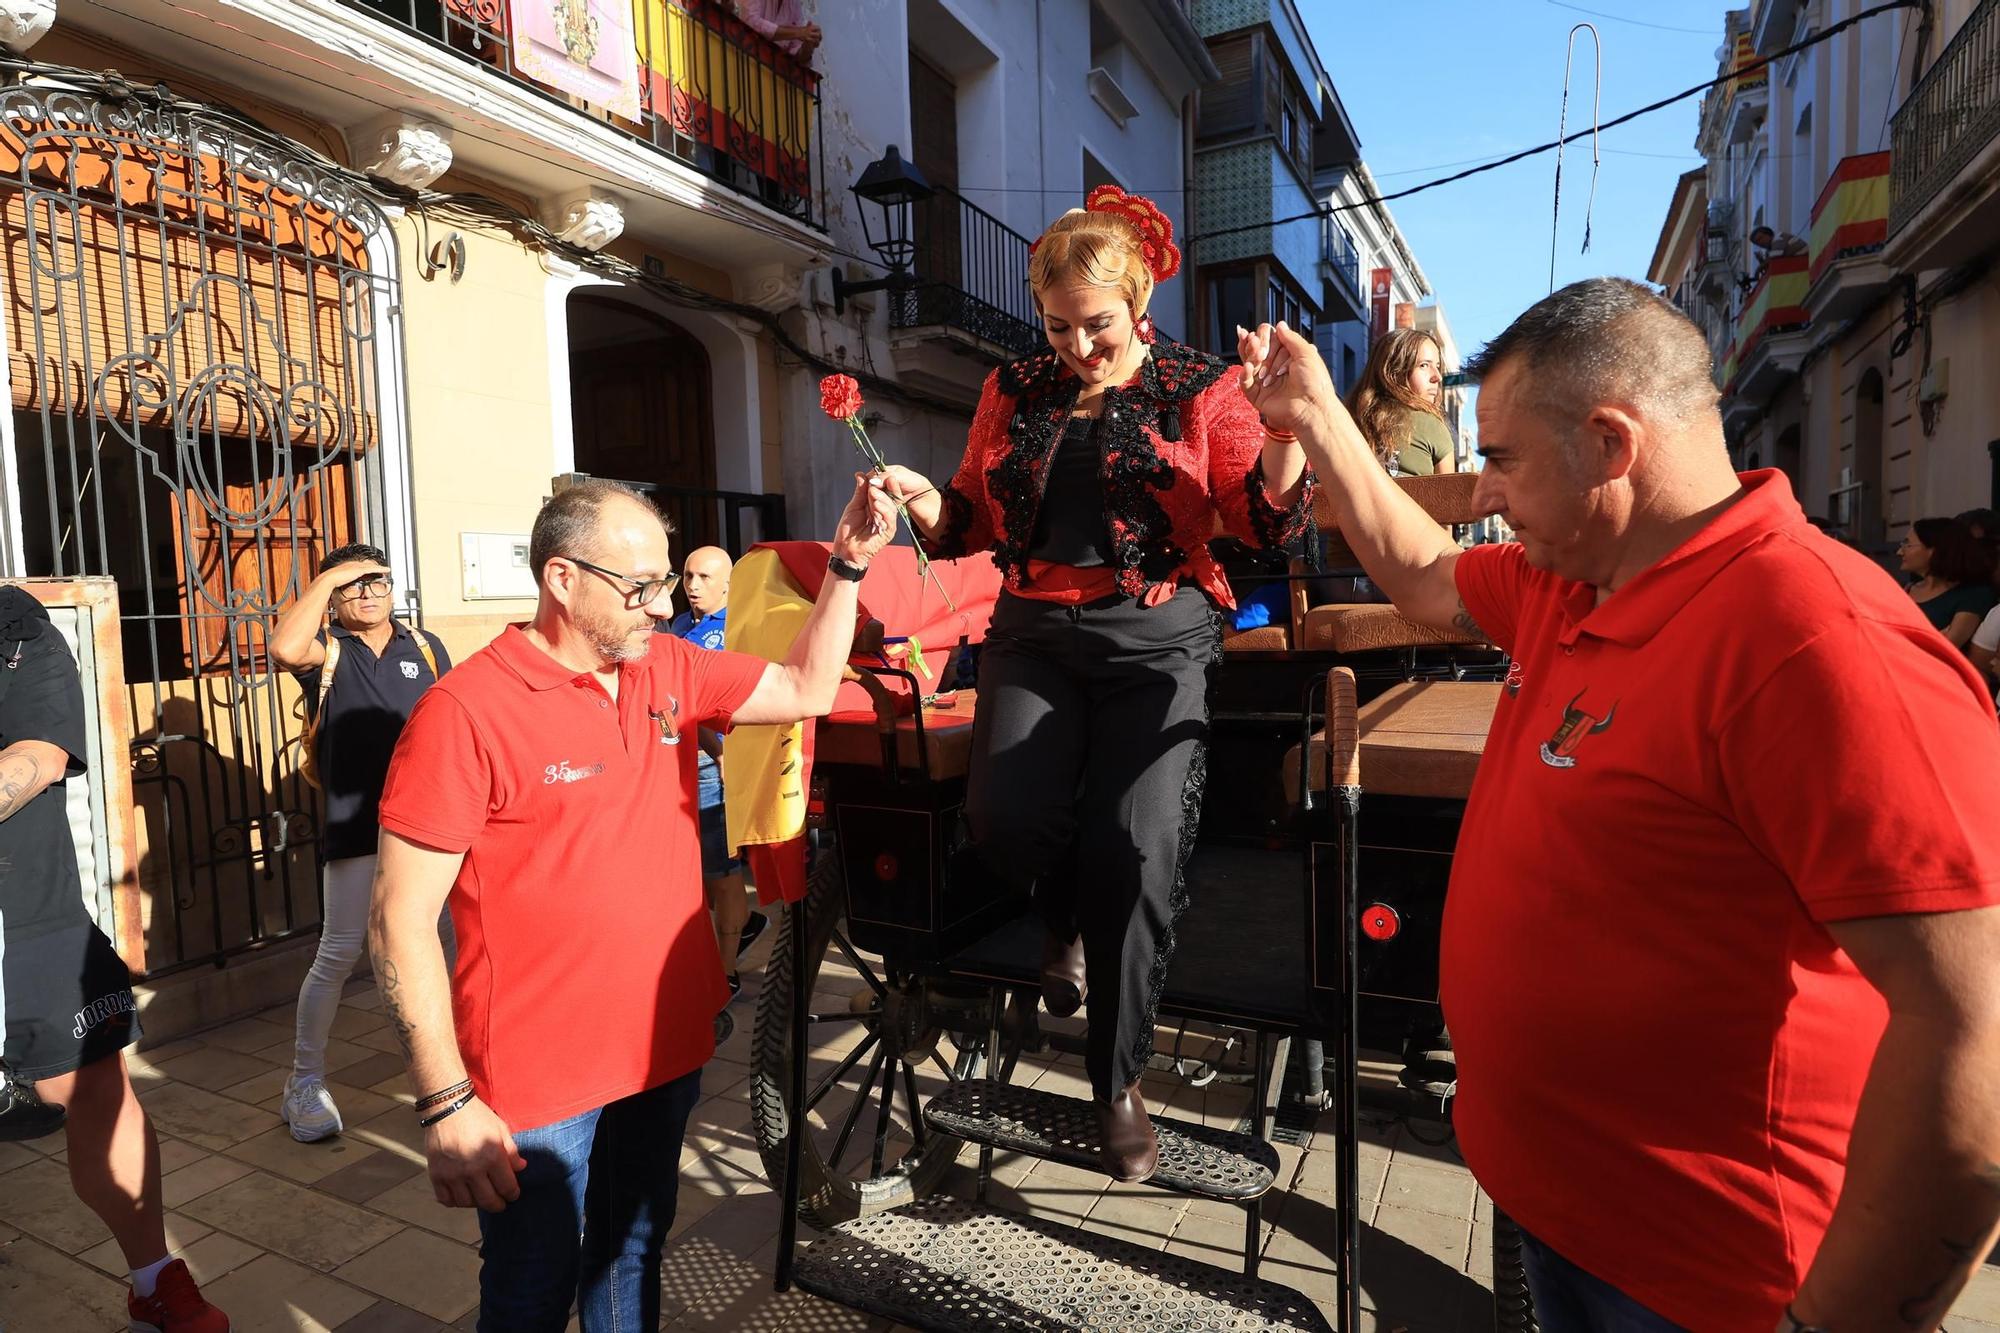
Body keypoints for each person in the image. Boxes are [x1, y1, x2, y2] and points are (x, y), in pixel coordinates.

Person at [1240, 278, 2000, 1330]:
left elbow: (1974, 1031)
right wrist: (1320, 416)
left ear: (1609, 443)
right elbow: (1421, 571)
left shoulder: (1818, 643)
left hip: (1709, 1283)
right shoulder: (1573, 578)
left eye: (1503, 459)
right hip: (1559, 1216)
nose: (1486, 489)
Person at [367, 475, 894, 1332]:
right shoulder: (463, 711)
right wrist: (444, 1100)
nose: (663, 604)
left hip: (662, 1045)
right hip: (538, 1079)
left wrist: (847, 566)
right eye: (640, 586)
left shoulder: (668, 666)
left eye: (665, 581)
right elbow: (397, 921)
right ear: (562, 578)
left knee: (631, 1254)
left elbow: (804, 686)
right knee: (532, 1289)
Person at [878, 186, 1310, 1182]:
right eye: (1059, 326)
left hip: (1157, 635)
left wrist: (1283, 429)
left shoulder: (1201, 386)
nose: (1079, 346)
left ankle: (1115, 1081)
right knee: (1002, 819)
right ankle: (1065, 918)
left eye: (1097, 324)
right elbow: (970, 517)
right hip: (1032, 630)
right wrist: (922, 499)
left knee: (1136, 847)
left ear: (1138, 301)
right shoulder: (1012, 386)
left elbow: (1261, 522)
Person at [0, 584, 230, 1331]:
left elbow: (38, 755)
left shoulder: (12, 625)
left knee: (97, 1094)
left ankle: (154, 1276)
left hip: (29, 921)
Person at [269, 543, 450, 1142]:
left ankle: (456, 1071)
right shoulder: (329, 650)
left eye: (378, 581)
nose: (369, 593)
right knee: (340, 952)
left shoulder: (424, 646)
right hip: (356, 824)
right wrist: (328, 581)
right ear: (334, 596)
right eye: (354, 585)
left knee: (444, 942)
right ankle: (304, 1082)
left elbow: (455, 722)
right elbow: (283, 649)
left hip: (427, 823)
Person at [663, 544, 766, 996]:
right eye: (688, 576)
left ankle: (726, 972)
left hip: (716, 765)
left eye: (704, 577)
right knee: (691, 872)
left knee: (722, 872)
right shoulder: (678, 626)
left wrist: (727, 759)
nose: (692, 586)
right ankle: (735, 933)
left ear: (728, 584)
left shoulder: (739, 627)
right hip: (675, 761)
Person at [1344, 326, 1457, 476]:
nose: (1437, 376)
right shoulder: (1432, 427)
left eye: (1437, 366)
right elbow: (1449, 490)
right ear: (1394, 372)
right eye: (1424, 365)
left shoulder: (1343, 423)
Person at [1899, 516, 1997, 650]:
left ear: (1934, 550)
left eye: (1907, 544)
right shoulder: (1904, 589)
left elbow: (1946, 647)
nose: (1900, 552)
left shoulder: (1973, 594)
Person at [733, 0, 820, 58]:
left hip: (767, 73)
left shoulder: (794, 4)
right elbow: (751, 22)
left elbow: (796, 53)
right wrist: (798, 33)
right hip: (738, 56)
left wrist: (808, 46)